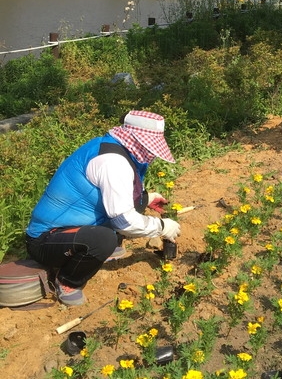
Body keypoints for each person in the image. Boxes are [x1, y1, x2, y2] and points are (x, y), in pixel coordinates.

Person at [25, 110, 181, 306]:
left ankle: (93, 249)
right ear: (137, 139)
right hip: (45, 239)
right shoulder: (113, 162)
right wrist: (161, 227)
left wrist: (147, 198)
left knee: (135, 202)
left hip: (74, 224)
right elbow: (124, 221)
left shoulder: (112, 146)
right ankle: (67, 280)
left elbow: (122, 196)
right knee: (103, 239)